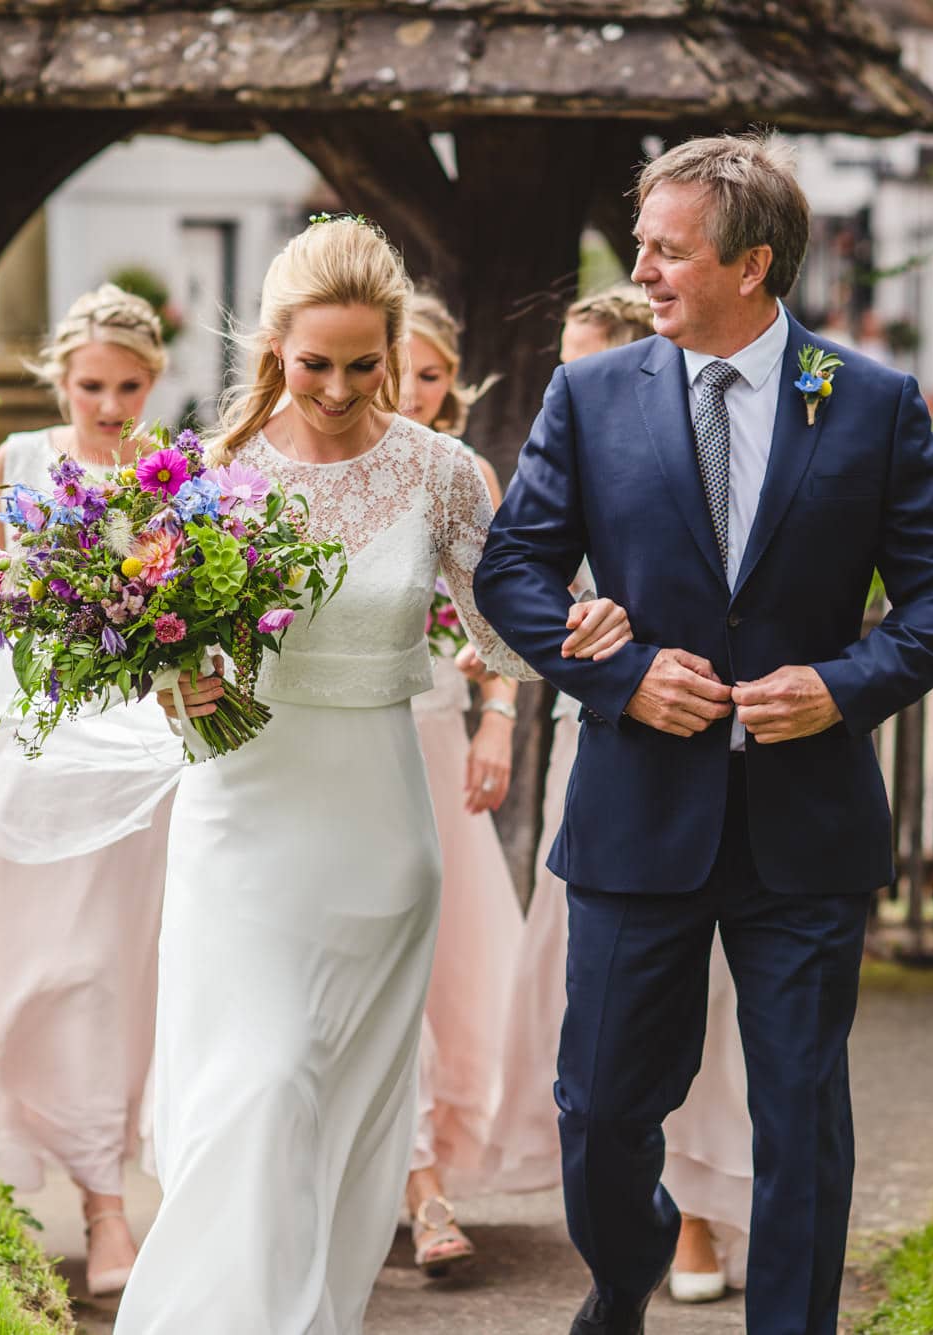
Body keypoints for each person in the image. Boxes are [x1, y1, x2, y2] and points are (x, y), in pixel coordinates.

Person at [475, 135, 933, 1335]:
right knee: (599, 1107)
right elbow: (513, 571)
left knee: (800, 1113)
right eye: (641, 244)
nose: (641, 269)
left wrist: (842, 685)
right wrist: (620, 678)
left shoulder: (868, 402)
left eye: (667, 249)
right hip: (635, 813)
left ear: (752, 264)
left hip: (804, 825)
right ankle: (622, 1276)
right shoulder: (589, 396)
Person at [120, 217, 635, 1334]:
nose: (341, 388)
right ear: (272, 348)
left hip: (377, 836)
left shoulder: (442, 472)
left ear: (396, 350)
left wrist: (588, 620)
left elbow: (509, 630)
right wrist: (179, 684)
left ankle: (311, 1315)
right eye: (316, 364)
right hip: (241, 819)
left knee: (344, 1113)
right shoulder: (209, 474)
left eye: (365, 364)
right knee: (257, 1087)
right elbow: (154, 644)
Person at [0, 284, 184, 1298]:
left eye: (128, 386)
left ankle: (105, 1205)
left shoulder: (166, 476)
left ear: (153, 382)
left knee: (103, 972)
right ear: (61, 379)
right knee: (9, 966)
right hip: (26, 735)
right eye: (91, 385)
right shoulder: (16, 464)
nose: (108, 403)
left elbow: (182, 605)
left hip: (131, 747)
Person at [490, 284, 755, 1305]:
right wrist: (596, 645)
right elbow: (523, 567)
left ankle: (702, 1209)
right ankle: (632, 1239)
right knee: (604, 1048)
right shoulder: (575, 409)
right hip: (607, 750)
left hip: (737, 760)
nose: (581, 376)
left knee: (720, 1016)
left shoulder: (721, 418)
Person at [392, 290, 525, 1276]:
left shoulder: (463, 472)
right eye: (401, 366)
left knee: (445, 968)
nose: (412, 388)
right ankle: (409, 1184)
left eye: (432, 373)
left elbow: (507, 615)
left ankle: (426, 1171)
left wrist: (500, 720)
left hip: (438, 735)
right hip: (345, 738)